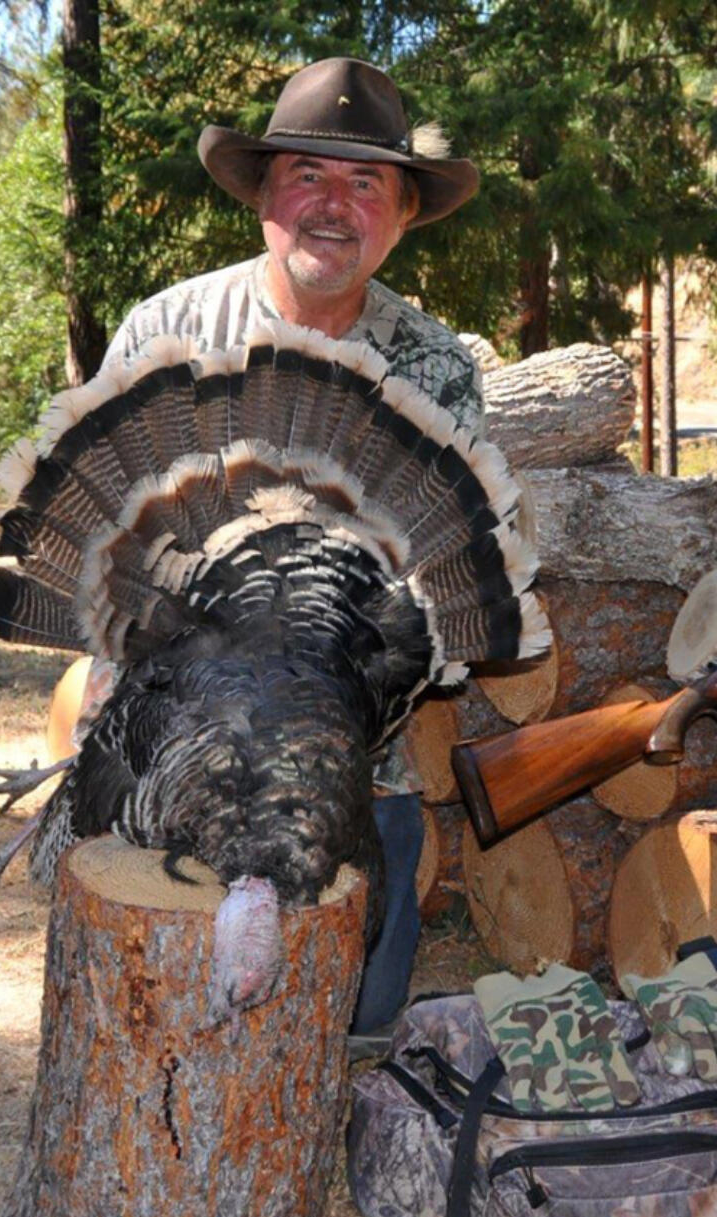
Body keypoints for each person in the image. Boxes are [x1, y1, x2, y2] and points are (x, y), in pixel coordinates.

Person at [100, 57, 484, 1039]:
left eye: (366, 185)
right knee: (140, 1013)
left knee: (344, 1022)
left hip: (345, 759)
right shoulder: (169, 332)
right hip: (162, 738)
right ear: (263, 198)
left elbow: (440, 592)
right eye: (307, 175)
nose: (333, 204)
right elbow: (100, 547)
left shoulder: (433, 369)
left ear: (399, 218)